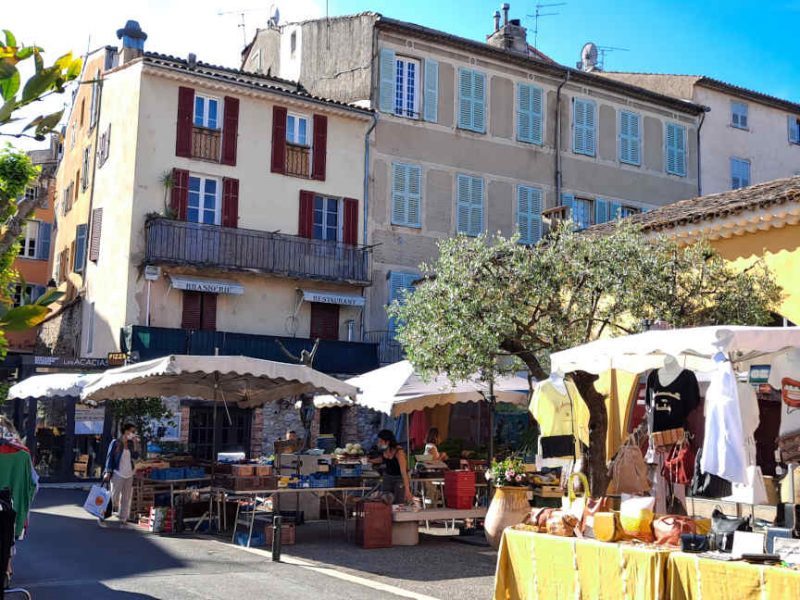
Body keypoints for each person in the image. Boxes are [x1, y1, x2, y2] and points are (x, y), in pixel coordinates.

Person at [103, 423, 139, 523]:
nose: (133, 433)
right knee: (113, 496)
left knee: (126, 498)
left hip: (129, 474)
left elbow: (135, 457)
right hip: (118, 473)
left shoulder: (131, 444)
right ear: (125, 431)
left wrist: (136, 444)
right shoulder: (115, 442)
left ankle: (123, 518)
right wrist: (108, 471)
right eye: (132, 431)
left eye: (134, 432)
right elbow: (109, 458)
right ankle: (103, 515)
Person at [369, 430, 412, 504]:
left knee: (398, 502)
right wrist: (369, 460)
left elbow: (404, 472)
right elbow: (382, 459)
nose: (379, 444)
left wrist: (407, 491)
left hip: (399, 479)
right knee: (385, 501)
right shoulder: (384, 450)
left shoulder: (399, 452)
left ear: (387, 442)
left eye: (381, 441)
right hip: (387, 477)